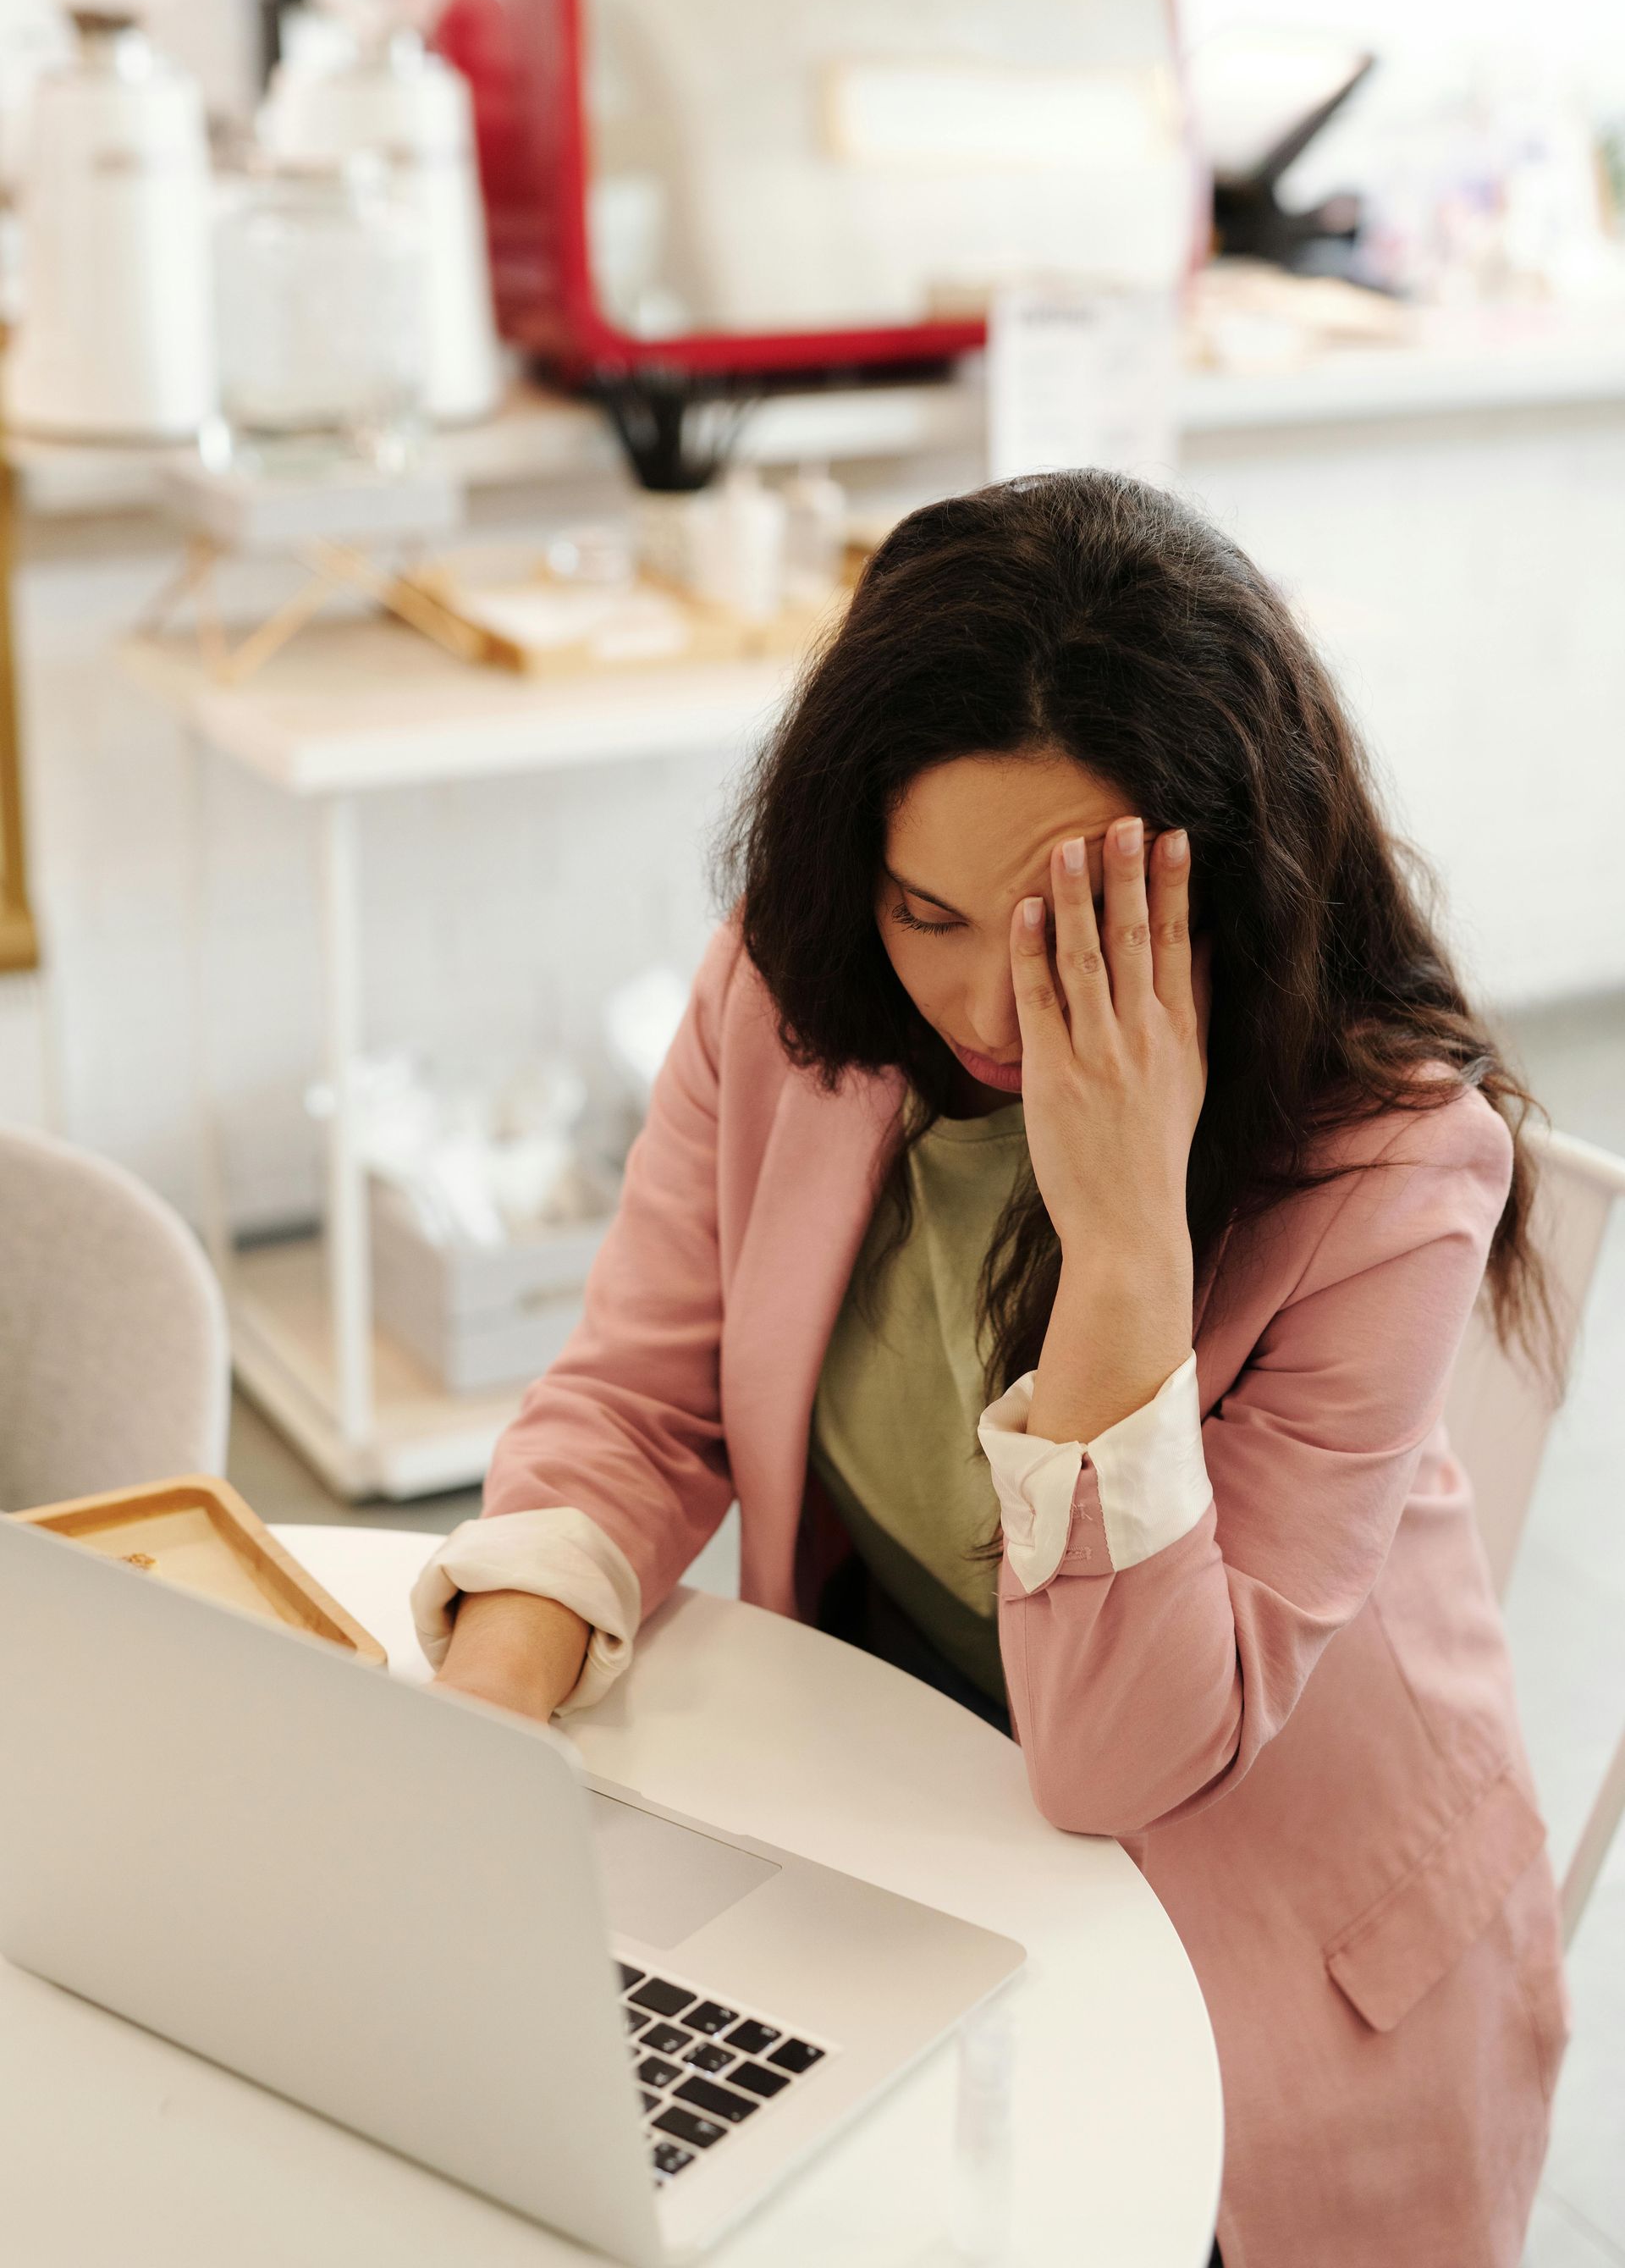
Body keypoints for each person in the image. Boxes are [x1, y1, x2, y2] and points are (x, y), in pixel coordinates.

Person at [413, 471, 1566, 2268]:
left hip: (1264, 1929)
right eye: (922, 913)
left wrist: (1120, 1252)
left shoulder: (1393, 1166)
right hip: (922, 1812)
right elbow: (642, 1400)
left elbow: (1121, 1759)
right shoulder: (790, 996)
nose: (977, 1008)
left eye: (1064, 934)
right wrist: (461, 1739)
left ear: (1230, 902)